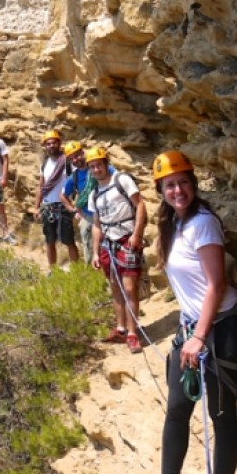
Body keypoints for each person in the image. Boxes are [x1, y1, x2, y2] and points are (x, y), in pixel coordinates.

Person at [138, 150, 237, 474]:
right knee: (176, 410)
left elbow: (217, 285)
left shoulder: (202, 223)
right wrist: (191, 333)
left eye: (183, 182)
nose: (177, 189)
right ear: (161, 190)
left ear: (193, 183)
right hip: (193, 329)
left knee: (221, 415)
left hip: (222, 330)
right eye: (169, 185)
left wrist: (200, 336)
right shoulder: (173, 223)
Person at [85, 146, 147, 353]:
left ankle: (132, 333)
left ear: (105, 163)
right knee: (115, 287)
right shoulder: (94, 193)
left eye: (99, 165)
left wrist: (137, 235)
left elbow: (140, 205)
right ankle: (121, 328)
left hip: (126, 238)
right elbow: (96, 224)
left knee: (129, 287)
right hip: (108, 243)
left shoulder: (122, 180)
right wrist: (95, 252)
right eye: (92, 167)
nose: (96, 170)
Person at [35, 129, 78, 271]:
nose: (51, 145)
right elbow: (41, 186)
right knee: (50, 241)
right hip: (48, 206)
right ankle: (52, 270)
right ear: (45, 146)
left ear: (59, 144)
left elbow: (77, 181)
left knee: (69, 240)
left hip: (63, 206)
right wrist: (36, 207)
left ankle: (77, 271)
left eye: (54, 143)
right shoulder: (45, 164)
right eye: (48, 143)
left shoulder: (67, 162)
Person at [58, 140, 93, 258]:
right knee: (88, 249)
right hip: (87, 217)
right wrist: (73, 209)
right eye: (72, 158)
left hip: (106, 216)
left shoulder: (97, 166)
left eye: (77, 155)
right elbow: (62, 196)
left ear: (83, 152)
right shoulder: (74, 176)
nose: (75, 160)